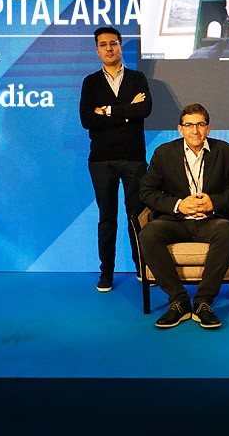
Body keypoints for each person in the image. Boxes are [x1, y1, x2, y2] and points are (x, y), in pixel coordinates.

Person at [138, 103, 229, 329]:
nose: (195, 130)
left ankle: (203, 302)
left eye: (200, 124)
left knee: (225, 230)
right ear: (180, 129)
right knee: (149, 233)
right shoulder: (164, 153)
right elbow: (146, 191)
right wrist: (178, 205)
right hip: (176, 221)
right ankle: (179, 301)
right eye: (189, 125)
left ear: (209, 129)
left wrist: (215, 201)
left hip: (212, 221)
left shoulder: (225, 152)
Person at [80, 26, 152, 292]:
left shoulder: (137, 77)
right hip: (101, 160)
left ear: (121, 47)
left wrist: (107, 111)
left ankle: (142, 267)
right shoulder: (91, 82)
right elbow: (87, 120)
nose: (109, 48)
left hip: (133, 158)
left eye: (113, 43)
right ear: (97, 50)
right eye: (103, 44)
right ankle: (106, 273)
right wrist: (126, 111)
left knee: (137, 215)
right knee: (106, 217)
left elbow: (144, 109)